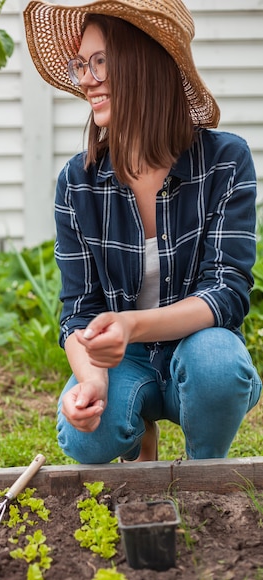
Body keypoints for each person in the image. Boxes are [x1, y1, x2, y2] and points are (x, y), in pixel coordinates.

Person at [23, 0, 262, 463]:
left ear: (145, 63)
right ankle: (138, 440)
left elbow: (227, 292)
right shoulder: (78, 183)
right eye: (81, 65)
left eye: (100, 62)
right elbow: (78, 311)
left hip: (197, 350)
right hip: (123, 362)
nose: (87, 79)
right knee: (85, 439)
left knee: (218, 367)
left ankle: (203, 474)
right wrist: (91, 379)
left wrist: (132, 324)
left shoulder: (225, 160)